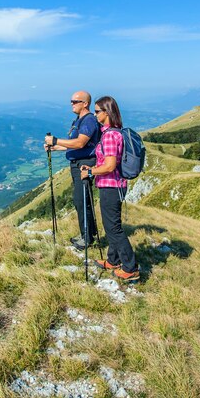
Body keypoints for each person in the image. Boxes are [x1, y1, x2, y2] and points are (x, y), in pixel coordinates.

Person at [80, 96, 140, 282]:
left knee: (113, 228)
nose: (95, 114)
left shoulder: (110, 136)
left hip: (110, 186)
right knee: (113, 225)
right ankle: (113, 260)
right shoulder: (115, 132)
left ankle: (130, 268)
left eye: (97, 111)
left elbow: (109, 166)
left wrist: (90, 171)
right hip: (115, 186)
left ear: (107, 113)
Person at [44, 91, 100, 250]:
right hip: (78, 163)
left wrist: (55, 140)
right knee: (81, 200)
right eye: (71, 101)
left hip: (84, 164)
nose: (71, 103)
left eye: (75, 101)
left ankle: (87, 238)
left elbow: (80, 143)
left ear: (85, 103)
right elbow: (72, 144)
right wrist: (54, 147)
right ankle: (87, 234)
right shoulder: (79, 120)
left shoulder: (88, 120)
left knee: (81, 200)